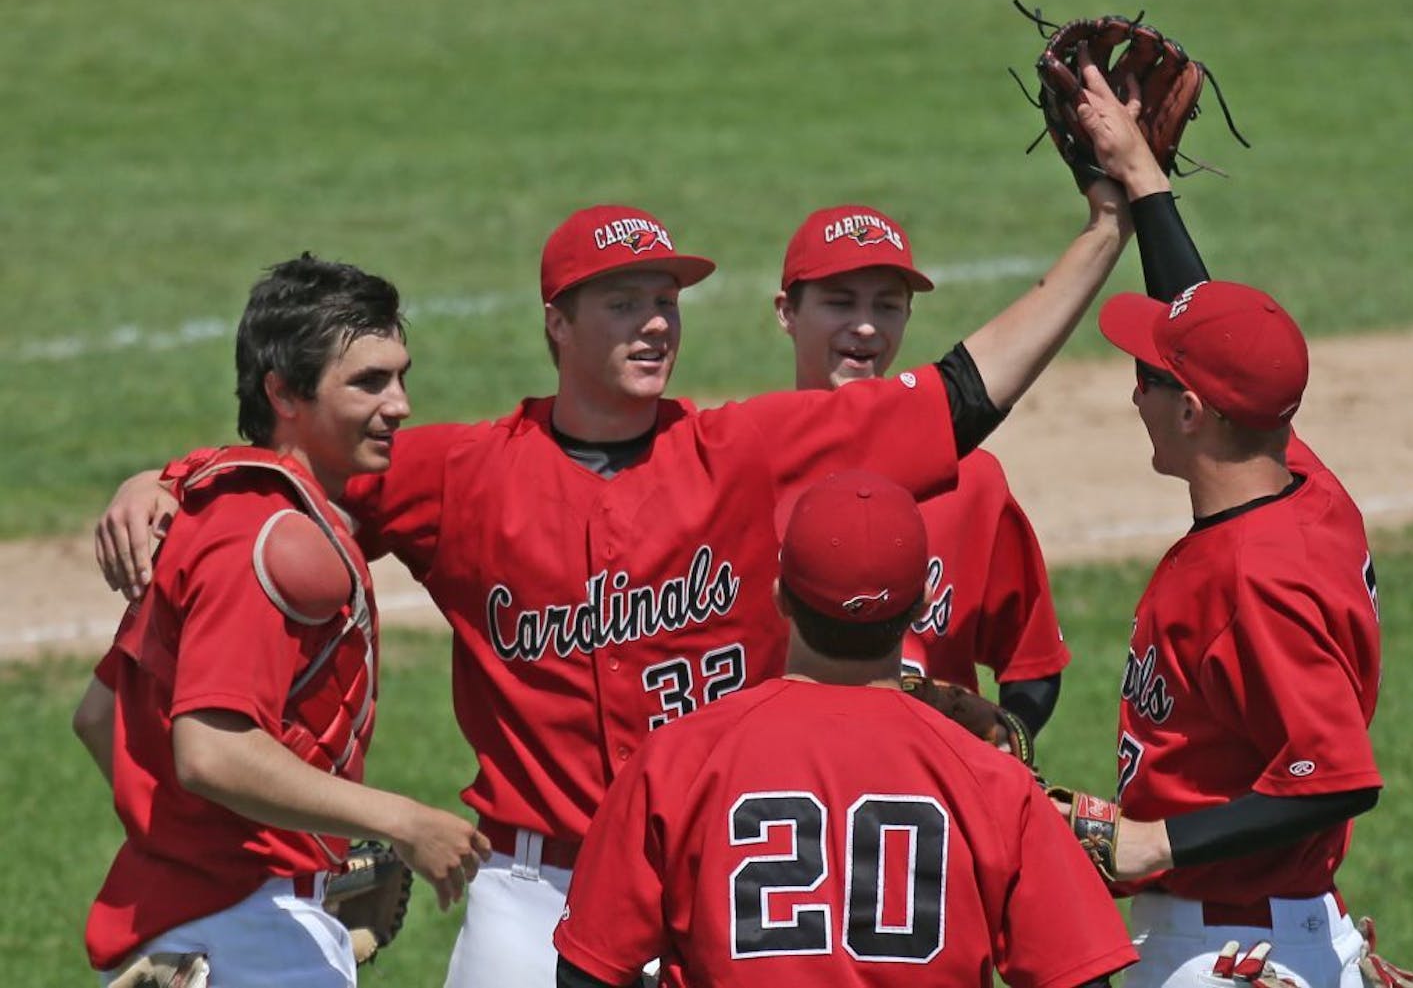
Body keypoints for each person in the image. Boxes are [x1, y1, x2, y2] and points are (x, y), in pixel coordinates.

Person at [92, 66, 1164, 988]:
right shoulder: (451, 472)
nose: (654, 320)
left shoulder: (746, 451)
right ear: (556, 325)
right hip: (529, 886)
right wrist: (171, 477)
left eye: (666, 298)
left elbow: (962, 395)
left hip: (716, 862)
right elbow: (289, 473)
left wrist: (1105, 229)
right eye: (621, 302)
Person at [72, 255, 491, 987]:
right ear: (284, 391)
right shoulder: (273, 539)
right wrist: (401, 820)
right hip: (249, 935)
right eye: (368, 381)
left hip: (196, 922)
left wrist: (193, 846)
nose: (400, 403)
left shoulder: (211, 514)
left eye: (401, 375)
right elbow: (211, 752)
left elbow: (98, 714)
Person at [553, 469, 1139, 988]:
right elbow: (1077, 977)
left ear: (781, 597)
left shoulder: (680, 759)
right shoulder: (990, 781)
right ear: (921, 607)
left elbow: (586, 971)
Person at [1057, 64, 1384, 988]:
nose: (1133, 390)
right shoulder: (1303, 486)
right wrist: (1145, 179)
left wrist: (1152, 838)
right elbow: (1210, 336)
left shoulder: (1256, 578)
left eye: (1147, 379)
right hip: (1268, 923)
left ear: (1194, 413)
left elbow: (1339, 775)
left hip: (1226, 948)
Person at [774, 204, 1068, 737]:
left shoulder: (972, 480)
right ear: (786, 312)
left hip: (927, 802)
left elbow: (1034, 663)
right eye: (840, 302)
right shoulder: (743, 470)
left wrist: (1003, 743)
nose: (865, 326)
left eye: (887, 305)